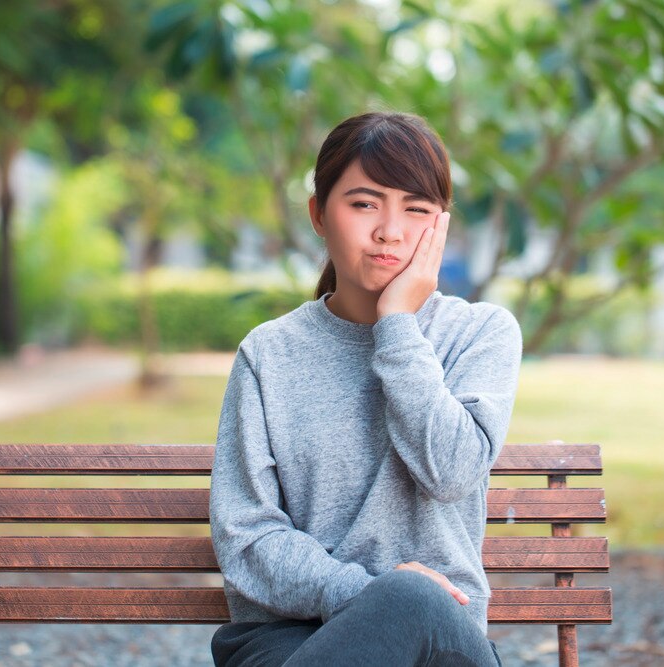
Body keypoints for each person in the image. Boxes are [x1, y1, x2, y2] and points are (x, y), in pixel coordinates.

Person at [208, 111, 523, 666]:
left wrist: (396, 325)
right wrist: (361, 592)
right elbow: (247, 537)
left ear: (440, 226)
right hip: (289, 639)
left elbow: (450, 472)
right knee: (402, 596)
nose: (390, 231)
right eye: (364, 203)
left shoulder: (481, 334)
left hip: (440, 643)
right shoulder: (269, 353)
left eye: (417, 209)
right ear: (318, 215)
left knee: (414, 600)